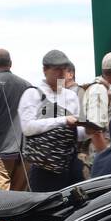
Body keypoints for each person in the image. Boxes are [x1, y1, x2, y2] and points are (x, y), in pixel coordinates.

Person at [19, 50, 84, 193]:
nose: (61, 73)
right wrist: (63, 120)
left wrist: (88, 130)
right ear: (45, 70)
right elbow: (27, 128)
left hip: (71, 164)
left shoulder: (72, 96)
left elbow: (77, 134)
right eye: (56, 69)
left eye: (64, 68)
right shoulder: (32, 94)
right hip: (44, 167)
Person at [0, 49, 32, 193]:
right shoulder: (27, 85)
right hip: (24, 152)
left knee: (1, 202)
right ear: (10, 64)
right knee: (18, 201)